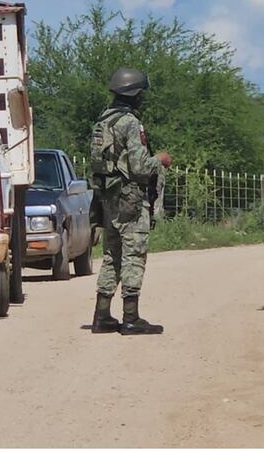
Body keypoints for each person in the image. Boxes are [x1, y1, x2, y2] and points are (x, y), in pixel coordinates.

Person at [89, 68, 171, 335]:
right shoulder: (130, 123)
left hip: (107, 198)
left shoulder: (103, 121)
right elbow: (138, 166)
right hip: (130, 200)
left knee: (111, 255)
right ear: (135, 95)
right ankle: (130, 317)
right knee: (134, 254)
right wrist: (159, 161)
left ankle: (101, 315)